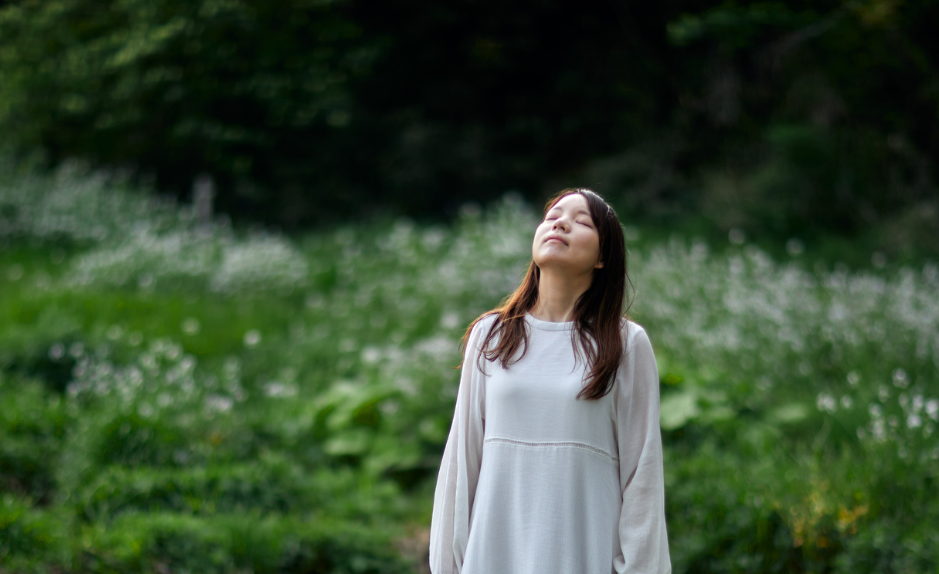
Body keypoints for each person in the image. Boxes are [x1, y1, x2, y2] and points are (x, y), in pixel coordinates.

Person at [429, 189, 671, 574]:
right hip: (493, 555)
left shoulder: (626, 344)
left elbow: (642, 477)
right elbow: (461, 462)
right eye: (553, 215)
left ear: (603, 257)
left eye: (582, 221)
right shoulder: (491, 336)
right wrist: (447, 565)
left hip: (582, 555)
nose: (560, 222)